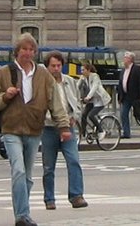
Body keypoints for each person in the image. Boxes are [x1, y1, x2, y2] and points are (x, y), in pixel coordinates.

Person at [0, 33, 71, 226]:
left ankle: (22, 213)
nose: (28, 53)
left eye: (32, 50)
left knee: (28, 176)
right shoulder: (4, 73)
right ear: (17, 51)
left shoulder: (43, 75)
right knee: (19, 171)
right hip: (11, 128)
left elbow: (55, 102)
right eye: (24, 49)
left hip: (34, 129)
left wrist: (63, 126)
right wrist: (5, 97)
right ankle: (22, 215)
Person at [41, 52, 88, 210]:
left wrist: (75, 116)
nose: (56, 69)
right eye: (53, 66)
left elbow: (77, 102)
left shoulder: (69, 81)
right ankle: (49, 199)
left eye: (59, 66)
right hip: (49, 128)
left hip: (68, 127)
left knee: (73, 160)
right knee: (48, 166)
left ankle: (76, 196)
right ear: (47, 67)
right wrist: (55, 121)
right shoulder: (43, 83)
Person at [116, 51, 140, 140]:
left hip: (135, 96)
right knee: (123, 114)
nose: (124, 60)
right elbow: (120, 84)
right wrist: (119, 96)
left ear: (130, 59)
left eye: (125, 58)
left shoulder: (137, 69)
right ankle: (126, 133)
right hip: (125, 97)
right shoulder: (123, 70)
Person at [78, 60, 110, 138]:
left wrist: (88, 97)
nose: (82, 72)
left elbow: (94, 88)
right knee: (83, 115)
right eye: (81, 70)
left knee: (91, 115)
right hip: (92, 99)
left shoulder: (95, 76)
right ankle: (83, 133)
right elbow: (77, 86)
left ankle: (101, 131)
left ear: (88, 70)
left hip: (100, 99)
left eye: (83, 70)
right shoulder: (83, 77)